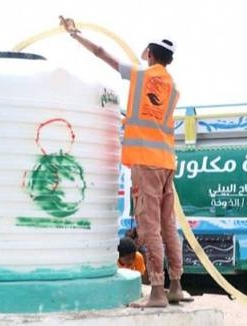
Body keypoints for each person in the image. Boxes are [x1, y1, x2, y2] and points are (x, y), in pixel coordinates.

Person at [60, 16, 185, 308]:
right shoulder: (173, 89)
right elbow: (152, 118)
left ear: (151, 54)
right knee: (168, 225)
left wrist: (76, 34)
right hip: (166, 162)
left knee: (149, 226)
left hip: (146, 162)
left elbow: (103, 54)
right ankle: (176, 285)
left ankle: (156, 291)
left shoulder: (141, 76)